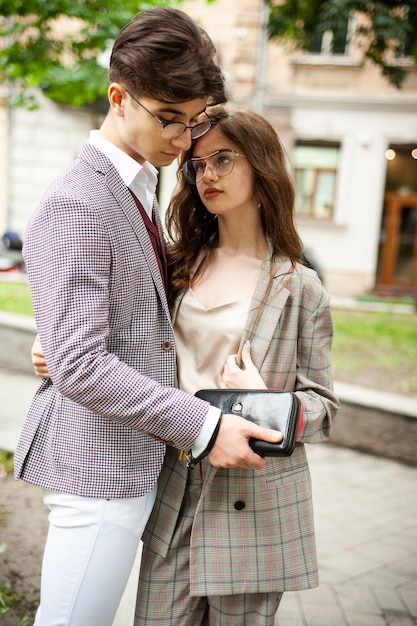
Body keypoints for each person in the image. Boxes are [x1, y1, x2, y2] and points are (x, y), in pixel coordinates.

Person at [16, 10, 282, 626]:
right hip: (97, 468)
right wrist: (206, 428)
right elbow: (82, 365)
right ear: (118, 97)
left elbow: (107, 331)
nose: (184, 142)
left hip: (131, 463)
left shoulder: (139, 185)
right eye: (169, 119)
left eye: (192, 123)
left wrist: (60, 344)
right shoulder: (81, 200)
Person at [133, 105, 340, 625]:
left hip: (251, 497)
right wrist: (52, 353)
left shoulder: (299, 287)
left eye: (222, 160)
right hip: (175, 486)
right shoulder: (175, 265)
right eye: (198, 165)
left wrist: (268, 401)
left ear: (261, 165)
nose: (208, 175)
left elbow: (325, 408)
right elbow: (124, 347)